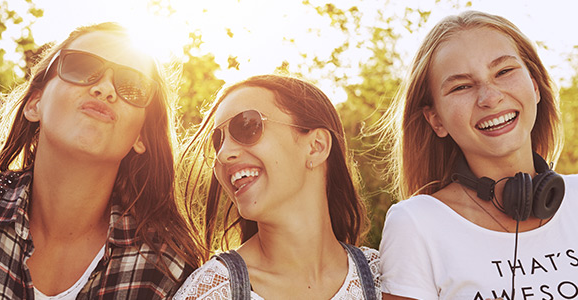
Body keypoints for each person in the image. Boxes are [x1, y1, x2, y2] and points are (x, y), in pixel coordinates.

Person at [0, 22, 202, 299]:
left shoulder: (170, 269)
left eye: (132, 85)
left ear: (141, 136)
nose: (105, 88)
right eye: (81, 67)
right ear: (35, 104)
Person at [376, 10, 578, 300]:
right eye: (461, 86)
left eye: (504, 72)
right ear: (436, 120)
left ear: (534, 86)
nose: (490, 97)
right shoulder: (416, 225)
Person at [174, 74, 381, 299]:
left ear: (316, 147)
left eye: (247, 126)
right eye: (217, 142)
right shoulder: (210, 292)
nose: (223, 154)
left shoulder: (385, 277)